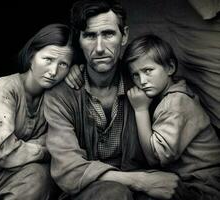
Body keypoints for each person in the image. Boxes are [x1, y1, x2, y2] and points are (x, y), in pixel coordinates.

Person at [44, 1, 184, 199]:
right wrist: (140, 181)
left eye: (108, 34)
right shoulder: (61, 95)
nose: (99, 48)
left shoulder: (144, 82)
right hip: (86, 192)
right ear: (79, 39)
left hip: (145, 186)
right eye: (90, 36)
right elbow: (69, 170)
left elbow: (179, 97)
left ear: (124, 35)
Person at [0, 23, 74, 200]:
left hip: (23, 172)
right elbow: (2, 151)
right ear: (31, 56)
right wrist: (44, 150)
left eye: (64, 64)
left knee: (60, 178)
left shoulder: (53, 96)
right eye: (48, 59)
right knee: (40, 176)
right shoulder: (6, 88)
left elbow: (61, 142)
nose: (53, 72)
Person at [124, 34, 220, 199]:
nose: (142, 81)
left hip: (202, 187)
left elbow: (154, 158)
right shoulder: (169, 94)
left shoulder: (176, 102)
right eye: (135, 75)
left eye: (148, 71)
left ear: (170, 67)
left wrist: (140, 110)